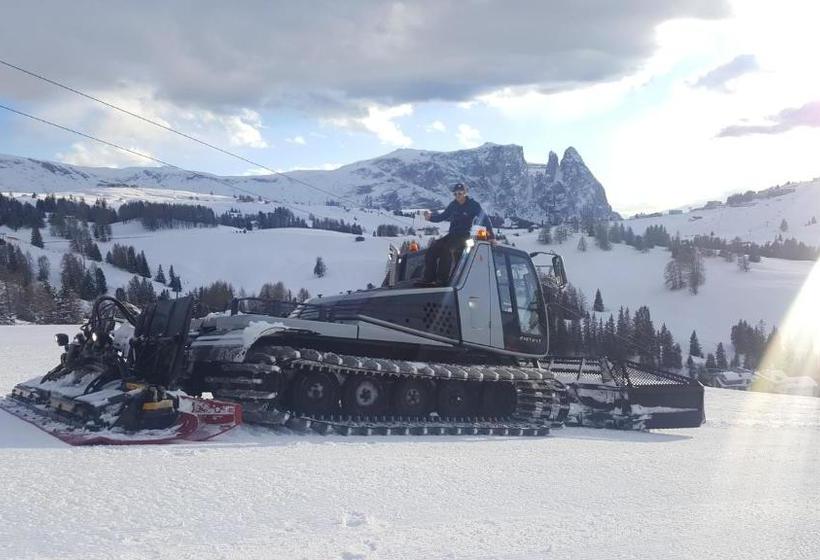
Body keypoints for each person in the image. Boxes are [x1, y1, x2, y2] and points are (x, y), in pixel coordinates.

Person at [420, 183, 494, 285]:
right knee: (432, 249)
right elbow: (442, 216)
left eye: (460, 193)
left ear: (465, 193)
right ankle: (428, 278)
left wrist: (492, 237)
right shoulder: (453, 205)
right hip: (452, 235)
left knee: (447, 249)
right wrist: (430, 217)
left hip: (464, 236)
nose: (458, 196)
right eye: (455, 194)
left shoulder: (473, 205)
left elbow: (485, 219)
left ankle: (441, 280)